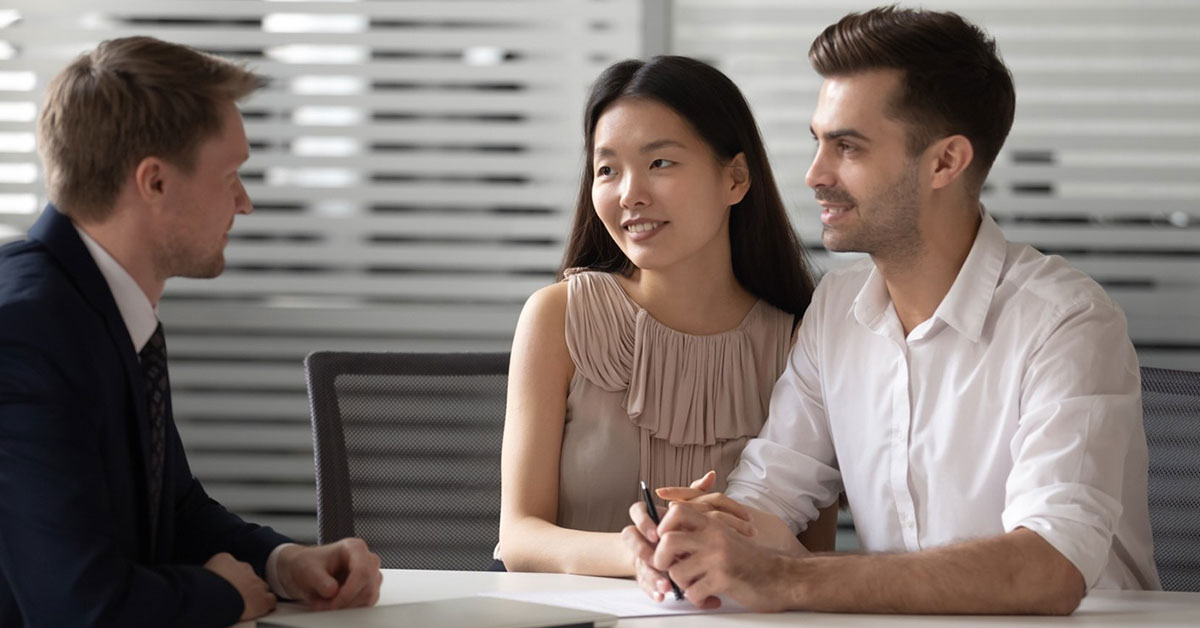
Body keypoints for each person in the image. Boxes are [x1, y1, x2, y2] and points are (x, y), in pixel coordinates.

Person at [623, 6, 1160, 615]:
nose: (814, 174)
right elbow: (772, 496)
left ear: (944, 162)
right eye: (818, 142)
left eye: (847, 147)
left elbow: (1048, 568)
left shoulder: (1067, 322)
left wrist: (785, 579)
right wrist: (694, 541)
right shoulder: (837, 308)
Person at [0, 37, 382, 627]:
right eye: (230, 175)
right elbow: (76, 606)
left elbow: (171, 509)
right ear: (154, 182)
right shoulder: (25, 334)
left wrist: (283, 562)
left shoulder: (98, 307)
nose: (245, 202)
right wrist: (220, 596)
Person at [496, 56, 838, 575]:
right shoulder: (558, 317)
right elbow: (519, 536)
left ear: (736, 178)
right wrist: (633, 554)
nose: (630, 193)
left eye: (660, 163)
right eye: (607, 169)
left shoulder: (799, 345)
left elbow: (811, 563)